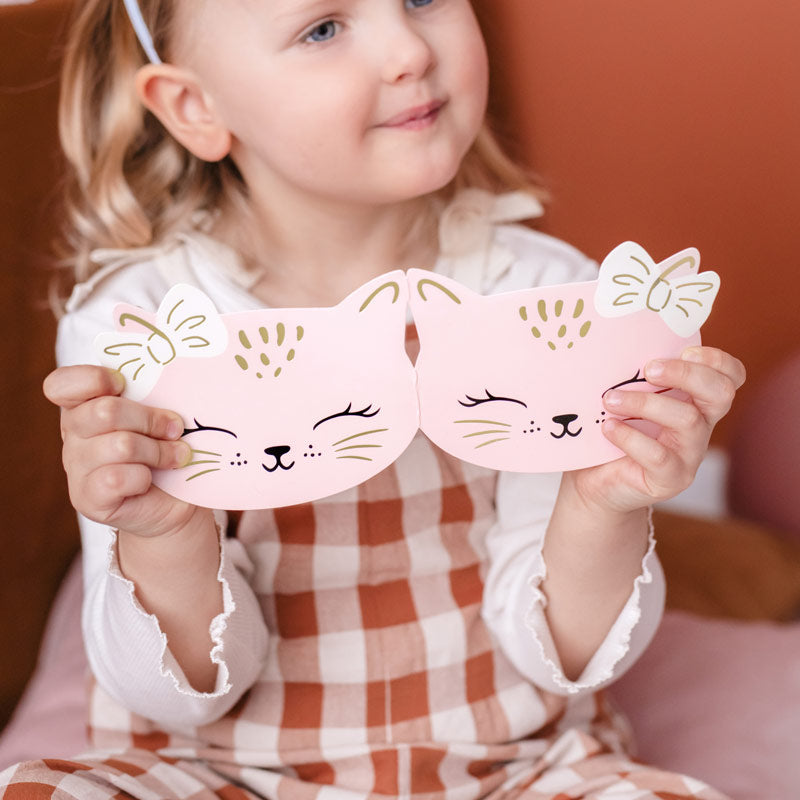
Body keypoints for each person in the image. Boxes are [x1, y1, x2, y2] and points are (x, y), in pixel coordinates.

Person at [0, 0, 745, 797]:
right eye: (322, 28)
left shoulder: (547, 296)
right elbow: (178, 697)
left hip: (513, 765)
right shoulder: (141, 329)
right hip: (216, 772)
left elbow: (563, 659)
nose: (408, 51)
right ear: (195, 107)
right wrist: (165, 534)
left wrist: (604, 506)